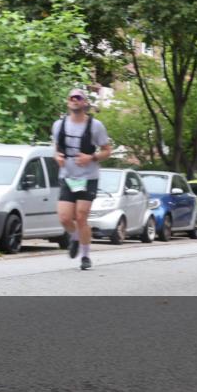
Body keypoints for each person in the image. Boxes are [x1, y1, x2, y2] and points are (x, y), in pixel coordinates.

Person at [52, 88, 112, 271]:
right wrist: (57, 157)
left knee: (81, 216)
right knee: (64, 218)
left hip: (88, 177)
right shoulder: (58, 125)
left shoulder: (95, 126)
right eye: (71, 97)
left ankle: (85, 256)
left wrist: (91, 158)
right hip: (68, 176)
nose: (74, 100)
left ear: (85, 103)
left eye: (78, 97)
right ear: (67, 102)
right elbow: (56, 148)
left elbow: (107, 151)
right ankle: (76, 236)